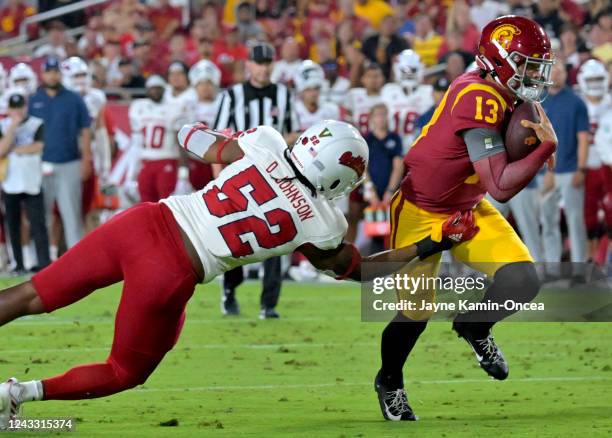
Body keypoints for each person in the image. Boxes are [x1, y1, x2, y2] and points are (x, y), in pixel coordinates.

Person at [0, 120, 478, 427]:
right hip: (170, 271)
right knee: (125, 371)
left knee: (29, 295)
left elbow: (189, 138)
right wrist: (437, 241)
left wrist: (213, 134)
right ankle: (17, 395)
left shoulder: (266, 143)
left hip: (142, 222)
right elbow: (365, 272)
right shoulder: (323, 221)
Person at [374, 16, 557, 421]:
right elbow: (501, 186)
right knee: (415, 312)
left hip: (466, 205)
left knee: (522, 279)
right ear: (501, 59)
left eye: (536, 65)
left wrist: (531, 144)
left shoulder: (500, 88)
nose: (533, 74)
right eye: (526, 64)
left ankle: (474, 326)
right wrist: (544, 149)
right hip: (422, 209)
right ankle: (390, 381)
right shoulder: (479, 96)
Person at [214, 42, 298, 319]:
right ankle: (229, 291)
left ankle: (269, 303)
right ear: (248, 64)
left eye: (267, 62)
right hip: (239, 176)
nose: (263, 67)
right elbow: (218, 139)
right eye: (258, 62)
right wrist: (218, 178)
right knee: (237, 238)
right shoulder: (232, 96)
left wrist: (268, 145)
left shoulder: (284, 95)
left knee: (277, 235)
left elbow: (293, 133)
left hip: (274, 176)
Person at [28, 57, 92, 249]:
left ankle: (77, 262)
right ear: (43, 74)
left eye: (55, 71)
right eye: (48, 71)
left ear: (60, 73)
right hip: (39, 163)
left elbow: (85, 130)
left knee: (71, 214)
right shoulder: (33, 100)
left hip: (69, 162)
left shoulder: (74, 99)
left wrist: (86, 159)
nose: (52, 75)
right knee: (41, 215)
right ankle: (43, 260)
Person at [540, 61, 590, 282]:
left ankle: (579, 270)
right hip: (548, 172)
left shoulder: (576, 102)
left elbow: (583, 139)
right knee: (547, 221)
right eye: (553, 70)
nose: (556, 74)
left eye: (560, 71)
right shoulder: (539, 102)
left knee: (574, 221)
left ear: (565, 74)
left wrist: (581, 167)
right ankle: (552, 269)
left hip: (570, 169)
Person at [0, 91, 51, 274]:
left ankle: (44, 263)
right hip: (10, 182)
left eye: (19, 107)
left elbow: (37, 147)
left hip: (32, 180)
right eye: (13, 108)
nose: (17, 111)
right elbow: (1, 150)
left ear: (25, 106)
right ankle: (18, 264)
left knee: (38, 224)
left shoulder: (36, 123)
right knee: (12, 225)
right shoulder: (4, 125)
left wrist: (14, 149)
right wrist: (12, 127)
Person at [576, 59, 612, 263]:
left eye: (599, 78)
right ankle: (590, 259)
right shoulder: (577, 104)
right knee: (586, 216)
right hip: (585, 166)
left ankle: (606, 260)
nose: (596, 83)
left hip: (607, 166)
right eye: (592, 79)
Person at [130, 75, 184, 203]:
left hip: (166, 160)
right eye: (152, 88)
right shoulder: (138, 108)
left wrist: (183, 175)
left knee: (166, 204)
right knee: (145, 205)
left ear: (165, 90)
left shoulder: (175, 107)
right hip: (146, 161)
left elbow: (181, 144)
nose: (155, 91)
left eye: (158, 88)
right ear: (147, 90)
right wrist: (131, 176)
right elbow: (136, 144)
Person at [382, 50, 434, 150]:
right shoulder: (388, 91)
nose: (409, 74)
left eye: (412, 71)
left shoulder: (428, 92)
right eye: (405, 71)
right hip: (393, 147)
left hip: (420, 147)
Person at [187, 60, 222, 190]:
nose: (205, 87)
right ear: (195, 86)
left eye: (209, 83)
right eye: (201, 83)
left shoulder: (223, 104)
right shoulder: (188, 107)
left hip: (220, 159)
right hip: (195, 160)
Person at [294, 60, 340, 131]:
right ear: (301, 92)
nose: (313, 93)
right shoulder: (293, 111)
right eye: (308, 89)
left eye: (316, 88)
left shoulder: (330, 110)